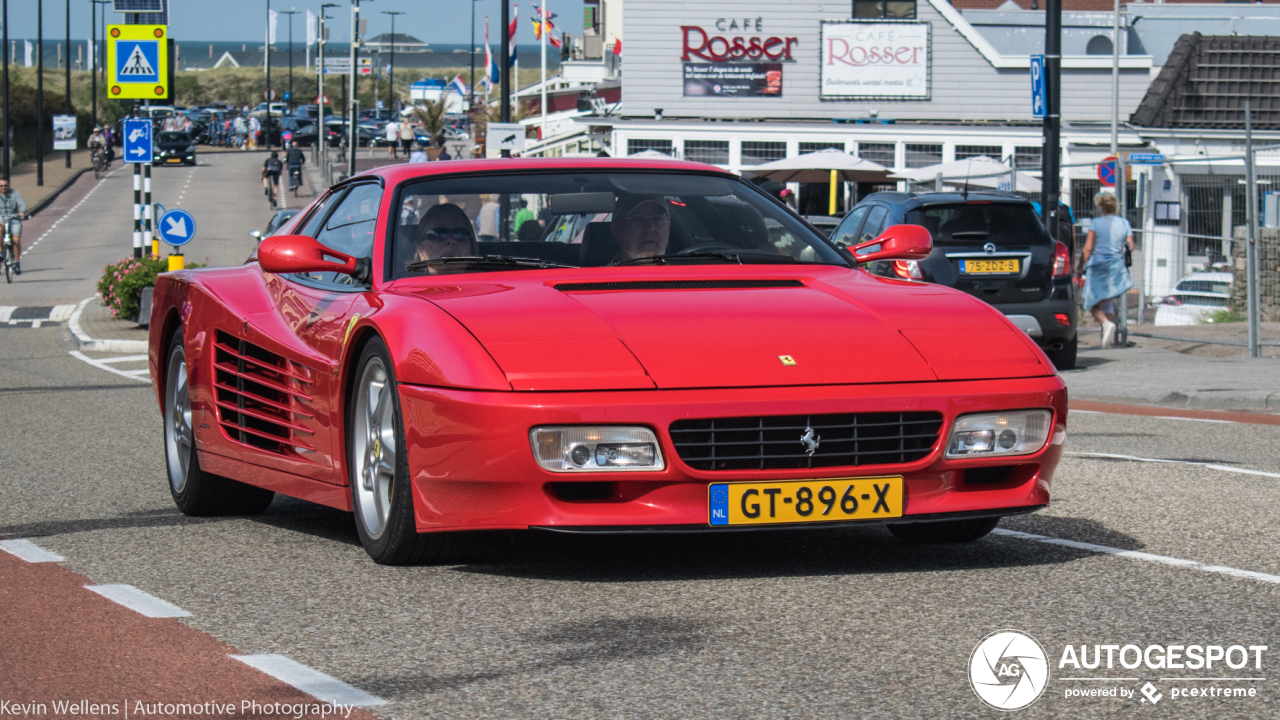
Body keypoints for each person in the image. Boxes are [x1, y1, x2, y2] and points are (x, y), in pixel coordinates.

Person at [1081, 192, 1135, 349]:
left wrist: (1080, 266)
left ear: (1101, 207)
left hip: (1098, 265)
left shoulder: (1096, 223)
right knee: (1108, 302)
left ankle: (1105, 324)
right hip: (1116, 265)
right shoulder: (1124, 223)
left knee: (1090, 302)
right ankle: (1108, 340)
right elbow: (1130, 245)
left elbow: (1088, 247)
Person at [412, 203, 478, 274]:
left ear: (471, 248)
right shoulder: (405, 283)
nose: (451, 240)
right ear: (420, 251)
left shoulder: (487, 282)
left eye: (461, 234)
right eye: (438, 234)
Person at [611, 195, 671, 261]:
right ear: (616, 230)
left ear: (669, 227)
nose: (650, 228)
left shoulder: (682, 269)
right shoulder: (601, 271)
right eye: (636, 219)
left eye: (658, 218)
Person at [0, 179, 28, 275]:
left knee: (16, 239)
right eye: (1, 186)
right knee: (0, 228)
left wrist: (22, 211)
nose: (3, 187)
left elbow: (22, 204)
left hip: (14, 218)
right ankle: (0, 252)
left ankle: (17, 262)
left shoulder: (14, 193)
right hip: (1, 218)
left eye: (5, 185)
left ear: (8, 185)